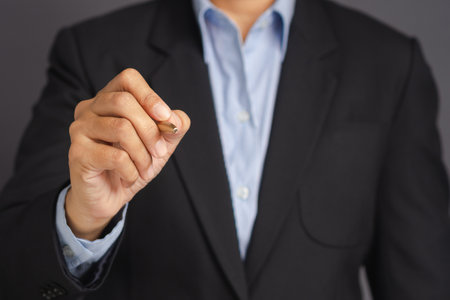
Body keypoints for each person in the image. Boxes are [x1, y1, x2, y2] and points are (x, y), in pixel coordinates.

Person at [1, 0, 450, 298]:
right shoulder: (91, 52)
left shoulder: (389, 64)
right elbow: (15, 270)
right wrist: (82, 219)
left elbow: (422, 282)